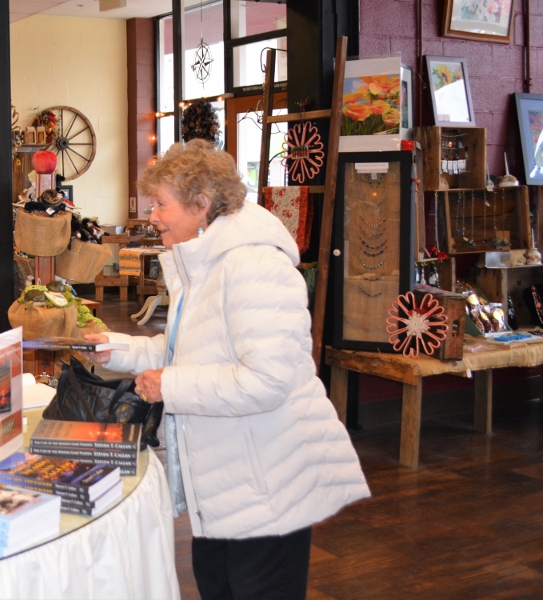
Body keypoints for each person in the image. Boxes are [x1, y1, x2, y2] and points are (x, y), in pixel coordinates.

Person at [84, 139, 369, 600]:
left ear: (202, 204)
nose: (152, 215)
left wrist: (169, 387)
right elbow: (188, 352)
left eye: (161, 204)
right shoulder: (204, 263)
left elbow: (266, 380)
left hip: (266, 488)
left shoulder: (255, 265)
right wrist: (114, 349)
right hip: (223, 485)